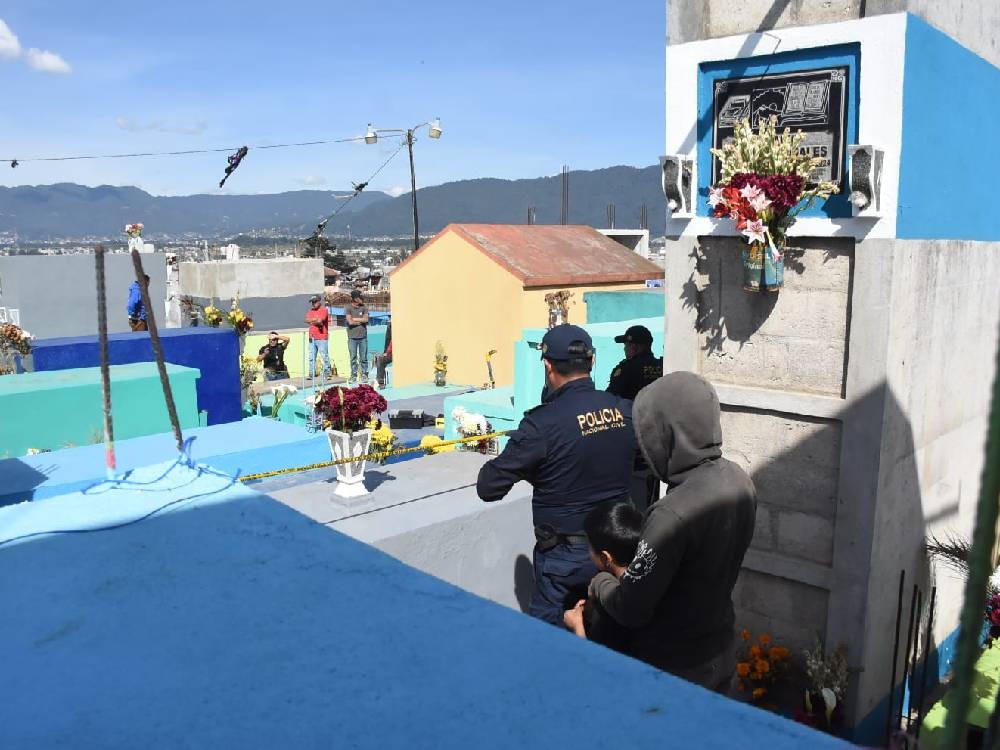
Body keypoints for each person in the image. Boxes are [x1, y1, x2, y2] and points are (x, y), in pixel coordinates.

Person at [589, 372, 756, 693]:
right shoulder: (738, 480)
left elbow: (630, 608)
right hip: (719, 647)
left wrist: (600, 582)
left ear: (666, 434)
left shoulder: (671, 514)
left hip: (675, 666)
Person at [476, 324, 636, 626]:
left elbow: (488, 486)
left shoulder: (542, 424)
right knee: (609, 636)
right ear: (592, 362)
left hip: (565, 560)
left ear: (548, 366)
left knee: (550, 647)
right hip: (615, 554)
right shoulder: (624, 410)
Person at [563, 501, 643, 655]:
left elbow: (596, 665)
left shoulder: (615, 609)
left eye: (590, 547)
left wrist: (577, 626)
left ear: (606, 558)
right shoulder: (649, 584)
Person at [606, 325, 662, 401]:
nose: (624, 348)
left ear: (634, 347)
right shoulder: (662, 366)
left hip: (632, 412)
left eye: (626, 345)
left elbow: (610, 398)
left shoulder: (627, 369)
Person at [346, 289, 369, 384]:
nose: (362, 299)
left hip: (363, 337)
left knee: (363, 357)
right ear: (355, 298)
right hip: (352, 337)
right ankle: (353, 375)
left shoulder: (364, 307)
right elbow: (350, 322)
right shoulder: (348, 308)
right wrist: (360, 320)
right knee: (353, 357)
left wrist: (354, 319)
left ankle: (364, 374)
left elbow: (366, 319)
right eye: (360, 297)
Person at [305, 295, 330, 381]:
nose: (313, 304)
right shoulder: (311, 311)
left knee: (324, 355)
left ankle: (327, 373)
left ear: (319, 301)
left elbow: (320, 321)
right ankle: (311, 374)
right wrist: (315, 320)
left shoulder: (324, 310)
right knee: (311, 357)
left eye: (315, 302)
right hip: (312, 337)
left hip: (321, 336)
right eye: (312, 302)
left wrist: (313, 320)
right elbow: (306, 320)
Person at [374, 320, 392, 389]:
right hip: (392, 352)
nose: (389, 322)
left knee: (381, 360)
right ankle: (380, 382)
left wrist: (387, 352)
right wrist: (385, 352)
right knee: (381, 360)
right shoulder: (389, 327)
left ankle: (379, 381)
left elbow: (392, 343)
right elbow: (388, 340)